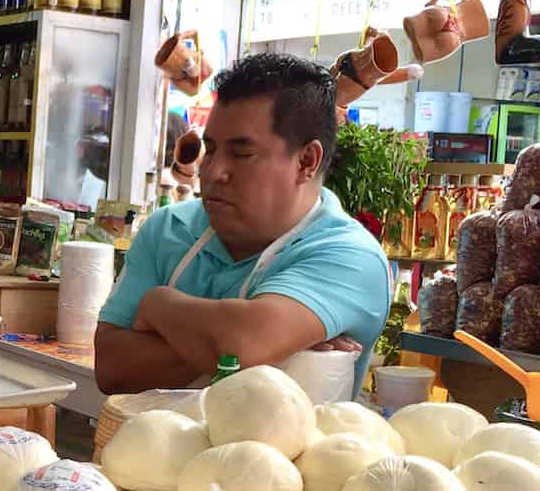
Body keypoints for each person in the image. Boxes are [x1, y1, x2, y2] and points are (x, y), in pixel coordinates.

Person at [95, 51, 391, 397]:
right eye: (211, 149)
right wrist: (241, 343)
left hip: (285, 453)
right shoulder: (169, 228)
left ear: (306, 162)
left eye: (241, 153)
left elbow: (243, 343)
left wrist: (159, 305)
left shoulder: (350, 257)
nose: (213, 171)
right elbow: (112, 368)